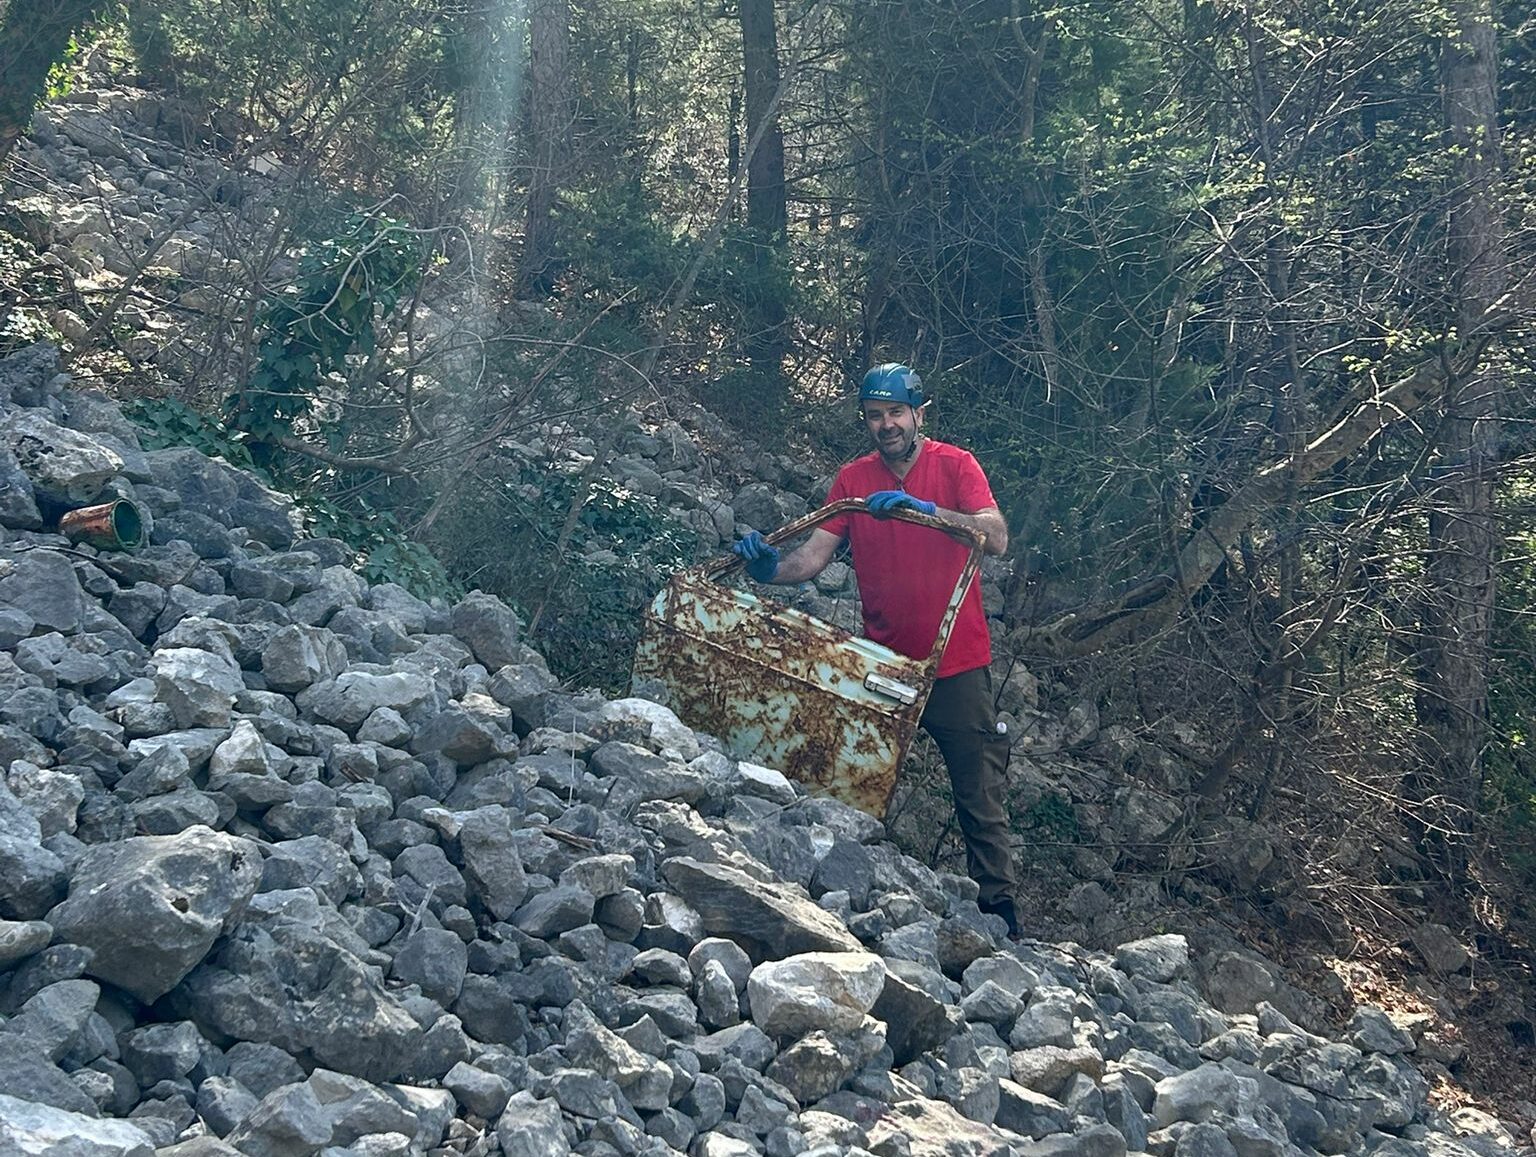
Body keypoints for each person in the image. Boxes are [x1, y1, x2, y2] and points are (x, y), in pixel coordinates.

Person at [732, 363, 1023, 937]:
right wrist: (768, 570)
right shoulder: (854, 479)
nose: (886, 424)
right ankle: (852, 900)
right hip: (881, 665)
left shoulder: (955, 465)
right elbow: (812, 557)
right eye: (874, 415)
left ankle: (1002, 918)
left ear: (918, 413)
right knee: (855, 780)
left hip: (955, 662)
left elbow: (996, 536)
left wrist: (928, 512)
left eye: (895, 412)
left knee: (979, 791)